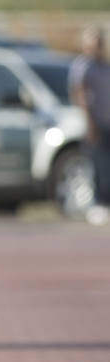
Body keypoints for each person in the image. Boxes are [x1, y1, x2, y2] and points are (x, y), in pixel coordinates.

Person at [69, 26, 110, 224]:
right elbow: (80, 94)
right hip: (94, 124)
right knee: (97, 165)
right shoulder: (84, 66)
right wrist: (89, 123)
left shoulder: (105, 66)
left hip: (107, 122)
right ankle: (98, 204)